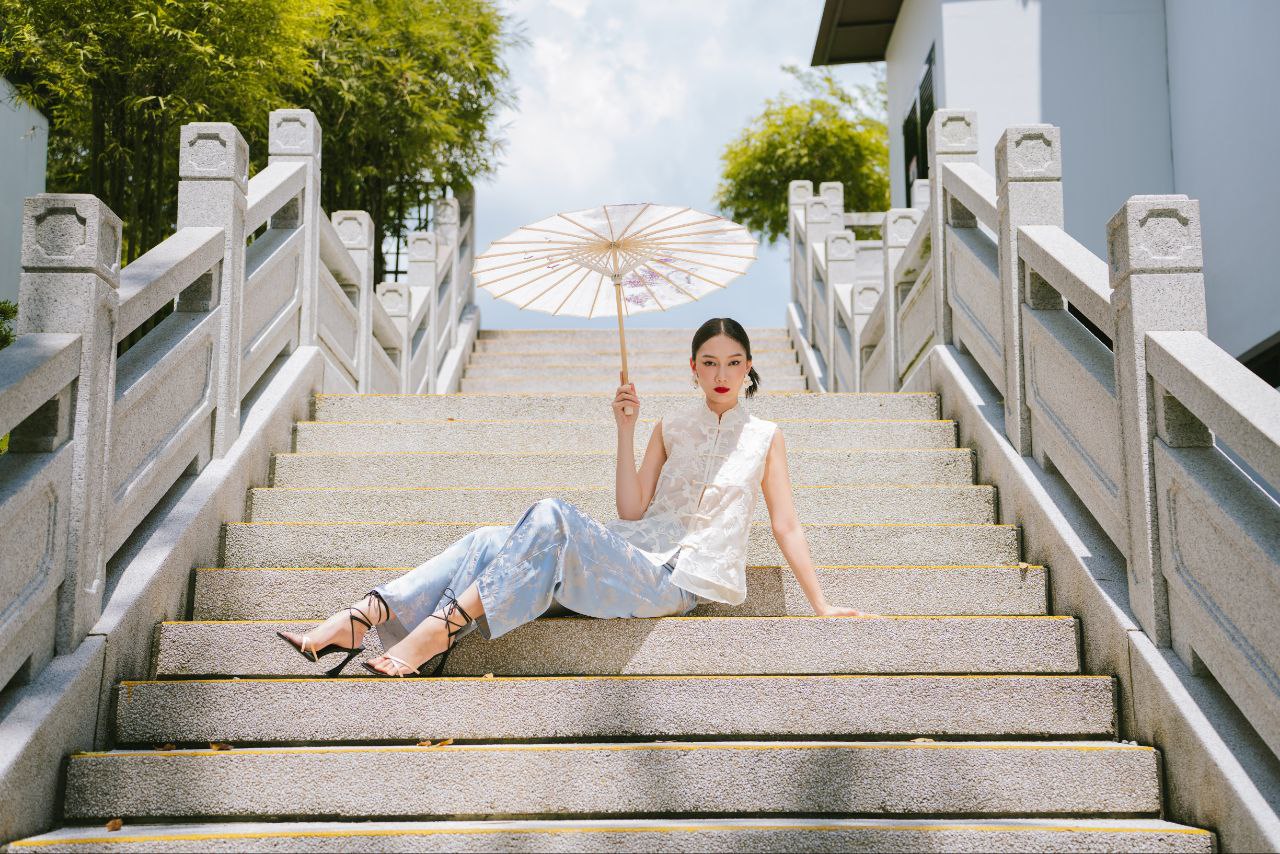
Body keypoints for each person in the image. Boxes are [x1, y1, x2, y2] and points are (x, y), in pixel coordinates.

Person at [277, 317, 873, 678]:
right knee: (489, 539)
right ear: (692, 368)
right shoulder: (669, 427)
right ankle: (366, 616)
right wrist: (625, 430)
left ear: (749, 369)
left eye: (734, 363)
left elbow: (786, 525)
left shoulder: (765, 437)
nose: (722, 374)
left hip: (680, 582)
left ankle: (436, 629)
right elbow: (632, 511)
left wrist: (821, 605)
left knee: (550, 515)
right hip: (636, 553)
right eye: (710, 363)